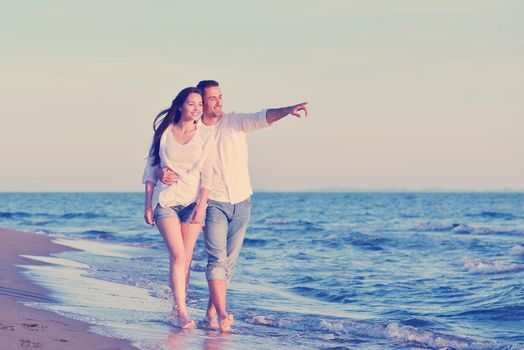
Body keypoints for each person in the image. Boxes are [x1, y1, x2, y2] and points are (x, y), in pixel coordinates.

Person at [158, 80, 308, 332]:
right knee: (216, 260)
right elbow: (175, 159)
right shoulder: (195, 132)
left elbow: (262, 117)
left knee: (228, 264)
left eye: (220, 96)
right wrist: (163, 174)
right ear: (201, 103)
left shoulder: (234, 122)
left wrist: (288, 110)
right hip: (212, 201)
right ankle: (218, 314)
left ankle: (211, 310)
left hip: (242, 200)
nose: (219, 102)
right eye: (213, 98)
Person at [142, 87, 215, 329]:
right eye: (192, 104)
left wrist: (202, 206)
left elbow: (207, 176)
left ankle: (176, 307)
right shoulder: (164, 133)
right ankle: (183, 312)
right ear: (181, 105)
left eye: (200, 105)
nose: (197, 109)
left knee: (186, 259)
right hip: (166, 201)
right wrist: (148, 204)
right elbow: (152, 168)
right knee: (178, 255)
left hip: (192, 203)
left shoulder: (205, 136)